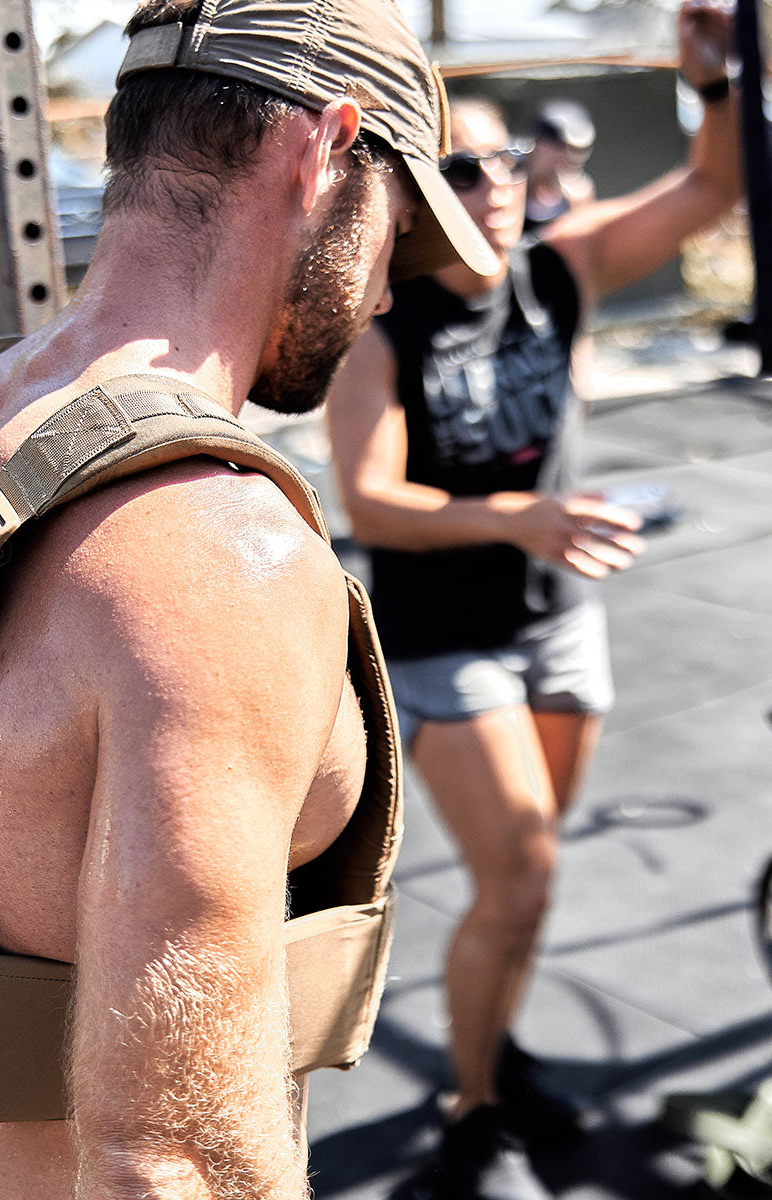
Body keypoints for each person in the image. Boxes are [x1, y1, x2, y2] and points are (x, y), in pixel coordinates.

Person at [0, 1, 499, 1198]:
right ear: (320, 154)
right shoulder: (219, 554)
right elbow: (171, 1162)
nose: (388, 293)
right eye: (395, 234)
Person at [325, 4, 739, 1197]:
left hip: (562, 617)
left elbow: (712, 191)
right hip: (451, 638)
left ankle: (489, 1044)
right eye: (462, 166)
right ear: (417, 188)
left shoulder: (560, 273)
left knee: (532, 879)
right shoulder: (385, 331)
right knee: (518, 877)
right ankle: (470, 1111)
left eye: (508, 160)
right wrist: (522, 517)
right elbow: (371, 500)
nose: (497, 183)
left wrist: (708, 78)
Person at [523, 99, 596, 232]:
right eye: (560, 146)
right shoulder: (507, 183)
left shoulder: (578, 195)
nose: (571, 156)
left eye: (579, 149)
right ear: (538, 143)